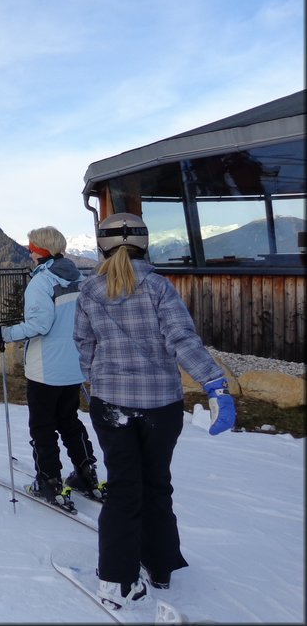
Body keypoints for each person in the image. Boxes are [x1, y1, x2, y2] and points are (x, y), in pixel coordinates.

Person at [73, 212, 236, 610]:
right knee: (157, 483)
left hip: (111, 403)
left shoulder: (89, 290)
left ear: (101, 246)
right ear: (144, 244)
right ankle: (160, 566)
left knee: (123, 488)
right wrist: (215, 384)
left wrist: (93, 381)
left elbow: (84, 344)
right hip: (161, 404)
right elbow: (182, 339)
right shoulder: (159, 287)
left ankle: (116, 580)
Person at [0, 226, 102, 508]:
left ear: (40, 251)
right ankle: (86, 473)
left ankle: (49, 481)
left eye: (31, 248)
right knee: (69, 420)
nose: (29, 252)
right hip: (73, 366)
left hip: (46, 369)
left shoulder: (42, 282)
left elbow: (39, 326)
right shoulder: (78, 278)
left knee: (43, 427)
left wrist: (3, 333)